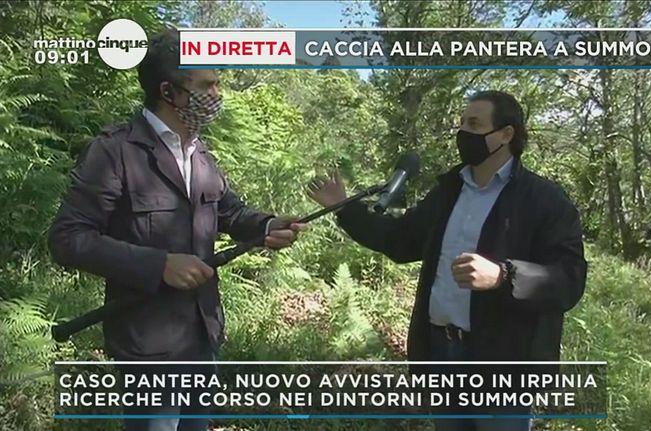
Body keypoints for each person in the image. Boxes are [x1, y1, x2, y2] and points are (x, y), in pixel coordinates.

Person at [48, 29, 304, 431]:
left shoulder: (200, 154)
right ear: (168, 91)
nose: (217, 94)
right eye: (206, 86)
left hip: (203, 337)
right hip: (149, 350)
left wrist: (268, 225)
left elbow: (229, 211)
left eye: (217, 84)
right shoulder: (115, 152)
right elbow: (68, 238)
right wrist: (159, 265)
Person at [308, 90, 587, 431]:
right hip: (442, 352)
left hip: (502, 362)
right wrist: (345, 208)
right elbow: (400, 239)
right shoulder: (448, 192)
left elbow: (569, 279)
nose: (463, 133)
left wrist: (504, 276)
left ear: (506, 134)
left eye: (475, 124)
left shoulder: (545, 201)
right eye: (462, 123)